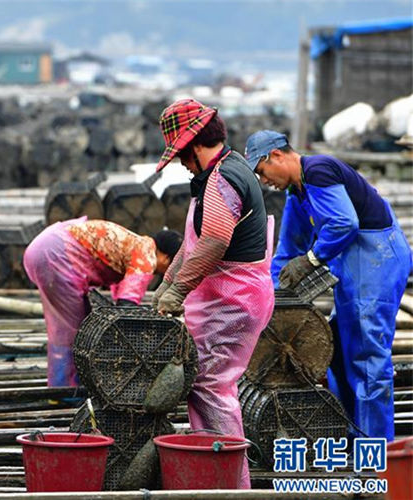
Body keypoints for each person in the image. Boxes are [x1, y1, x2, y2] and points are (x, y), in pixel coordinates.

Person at [244, 130, 413, 442]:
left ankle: (378, 447)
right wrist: (269, 296)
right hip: (355, 272)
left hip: (378, 263)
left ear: (277, 156)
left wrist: (311, 259)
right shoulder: (297, 193)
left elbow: (343, 223)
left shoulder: (318, 170)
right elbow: (287, 250)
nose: (263, 179)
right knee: (337, 351)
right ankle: (354, 433)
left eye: (262, 171)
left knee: (367, 357)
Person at [152, 99, 275, 489]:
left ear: (194, 145)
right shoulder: (221, 173)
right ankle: (214, 472)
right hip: (227, 297)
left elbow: (214, 242)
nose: (181, 163)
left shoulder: (223, 179)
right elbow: (192, 245)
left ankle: (230, 484)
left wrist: (176, 293)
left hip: (233, 301)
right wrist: (165, 286)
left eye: (181, 155)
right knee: (208, 384)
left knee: (211, 386)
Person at [23, 218, 182, 387]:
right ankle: (64, 391)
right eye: (176, 264)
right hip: (56, 254)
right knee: (70, 331)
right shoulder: (146, 258)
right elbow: (126, 306)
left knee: (76, 324)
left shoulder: (137, 244)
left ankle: (69, 385)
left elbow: (120, 296)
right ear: (166, 257)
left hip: (47, 245)